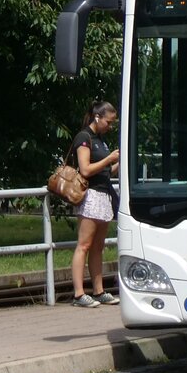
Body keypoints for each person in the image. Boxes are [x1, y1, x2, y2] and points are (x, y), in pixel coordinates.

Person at [70, 100, 120, 308]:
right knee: (84, 245)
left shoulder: (100, 139)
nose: (110, 126)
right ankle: (78, 293)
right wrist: (109, 159)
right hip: (90, 195)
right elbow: (86, 170)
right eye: (108, 122)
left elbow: (106, 171)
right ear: (97, 117)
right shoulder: (84, 137)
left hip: (104, 194)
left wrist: (119, 161)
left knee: (98, 246)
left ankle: (98, 290)